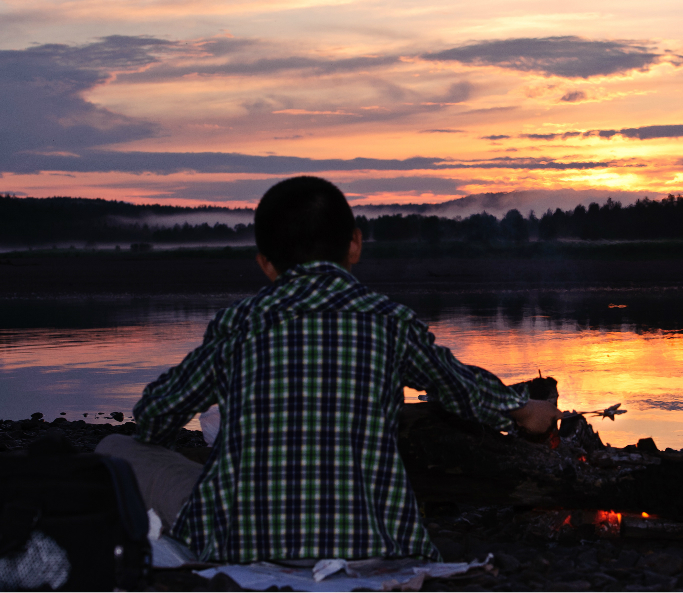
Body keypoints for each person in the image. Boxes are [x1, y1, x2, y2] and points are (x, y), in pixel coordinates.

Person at [97, 176, 560, 563]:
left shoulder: (238, 324)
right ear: (355, 244)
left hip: (238, 542)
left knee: (114, 445)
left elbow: (154, 416)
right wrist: (525, 409)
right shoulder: (387, 321)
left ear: (264, 262)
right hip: (374, 545)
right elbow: (460, 387)